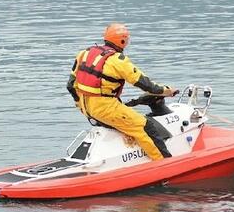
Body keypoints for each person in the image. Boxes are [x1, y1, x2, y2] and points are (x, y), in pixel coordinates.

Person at [67, 23, 176, 161]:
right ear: (122, 41)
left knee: (127, 118)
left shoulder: (84, 53)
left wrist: (82, 106)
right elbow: (145, 84)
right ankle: (163, 162)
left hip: (87, 107)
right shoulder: (118, 61)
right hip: (105, 109)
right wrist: (166, 91)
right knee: (145, 126)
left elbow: (71, 85)